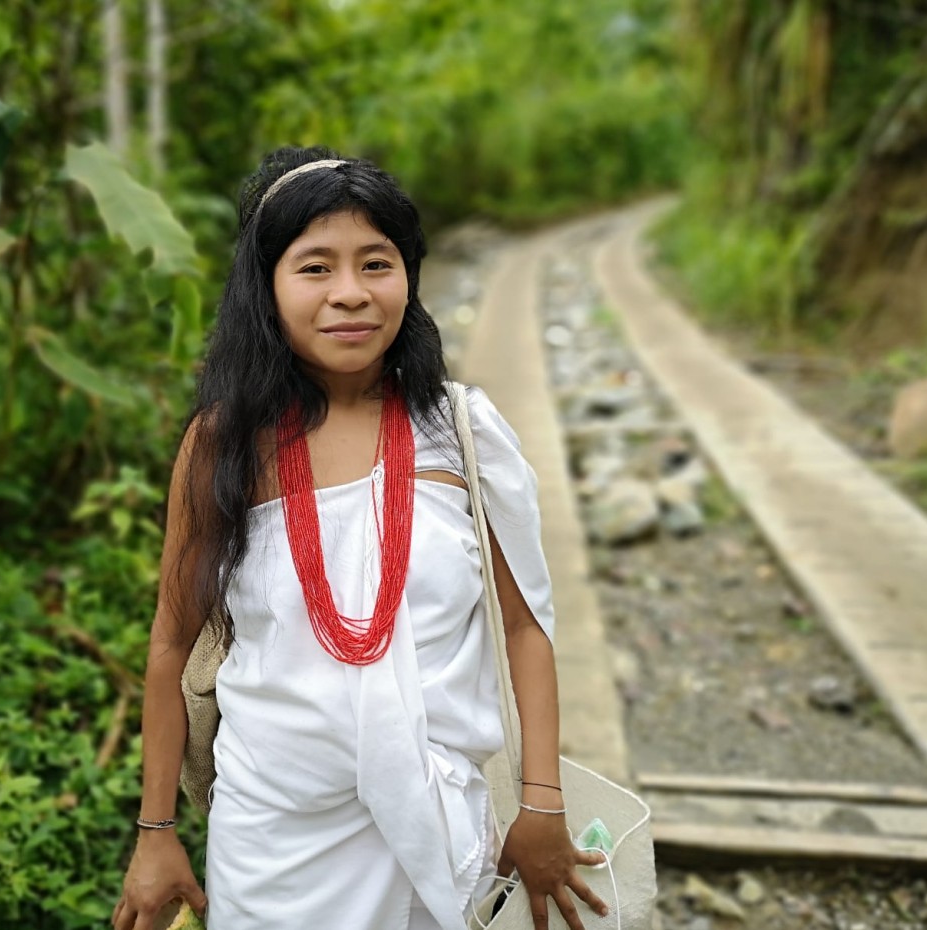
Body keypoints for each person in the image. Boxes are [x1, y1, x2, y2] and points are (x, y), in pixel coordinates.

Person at [113, 146, 608, 930]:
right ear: (266, 286)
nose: (350, 293)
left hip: (435, 834)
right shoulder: (223, 445)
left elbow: (524, 626)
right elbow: (173, 642)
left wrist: (541, 804)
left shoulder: (462, 433)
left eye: (376, 263)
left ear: (408, 277)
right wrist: (155, 833)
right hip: (270, 843)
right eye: (315, 268)